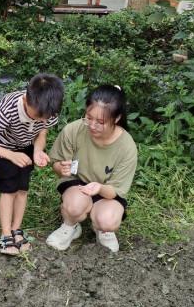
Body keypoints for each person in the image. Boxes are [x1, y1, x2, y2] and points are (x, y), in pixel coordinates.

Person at [0, 74, 64, 255]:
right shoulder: (9, 107)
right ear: (26, 100)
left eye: (45, 118)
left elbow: (41, 133)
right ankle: (6, 234)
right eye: (37, 116)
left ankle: (17, 229)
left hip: (25, 147)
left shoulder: (49, 112)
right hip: (2, 148)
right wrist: (11, 155)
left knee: (22, 189)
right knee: (8, 191)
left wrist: (38, 150)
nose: (41, 120)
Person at [46, 85, 138, 253]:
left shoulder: (127, 146)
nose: (92, 125)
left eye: (100, 122)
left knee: (108, 221)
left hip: (107, 191)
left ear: (117, 118)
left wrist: (99, 188)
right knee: (74, 206)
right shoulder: (73, 130)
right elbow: (57, 165)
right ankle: (70, 226)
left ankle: (103, 230)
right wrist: (61, 168)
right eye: (89, 118)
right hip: (77, 184)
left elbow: (116, 190)